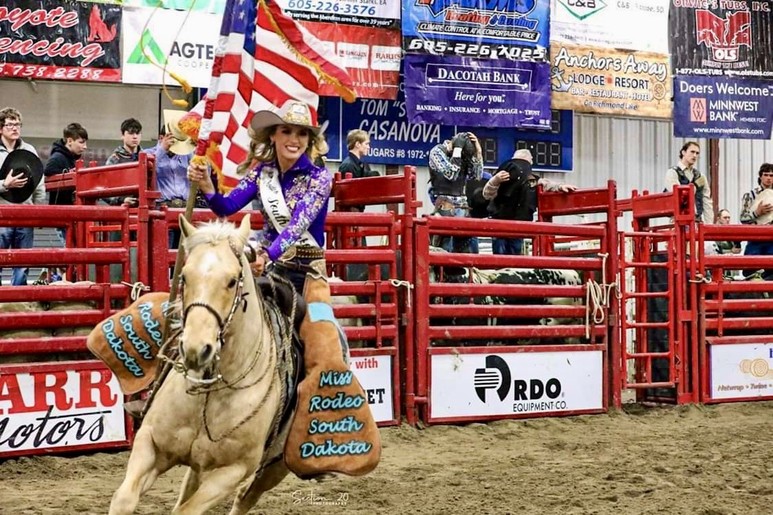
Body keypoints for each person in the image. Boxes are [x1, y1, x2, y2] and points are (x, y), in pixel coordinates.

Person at [186, 99, 331, 294]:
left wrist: (266, 256)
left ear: (309, 141)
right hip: (268, 268)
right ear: (273, 135)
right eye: (286, 131)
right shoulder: (262, 173)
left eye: (302, 133)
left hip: (307, 273)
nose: (294, 140)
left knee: (320, 315)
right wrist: (206, 184)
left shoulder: (320, 178)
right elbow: (226, 207)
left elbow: (297, 226)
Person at [482, 149, 576, 255]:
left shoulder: (531, 180)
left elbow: (487, 194)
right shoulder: (524, 179)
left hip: (510, 224)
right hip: (508, 224)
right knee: (509, 255)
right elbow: (487, 194)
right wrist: (495, 180)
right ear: (530, 162)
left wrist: (560, 186)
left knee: (505, 254)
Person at [0, 107, 46, 285]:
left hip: (25, 213)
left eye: (18, 124)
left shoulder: (29, 149)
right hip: (2, 215)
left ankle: (19, 295)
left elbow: (39, 182)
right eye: (10, 124)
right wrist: (5, 184)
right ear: (1, 128)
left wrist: (39, 212)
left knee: (23, 262)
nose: (15, 128)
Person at [428, 132, 483, 253]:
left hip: (462, 205)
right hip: (445, 204)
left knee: (468, 244)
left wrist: (478, 152)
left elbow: (477, 175)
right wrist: (458, 150)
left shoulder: (464, 156)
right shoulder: (437, 151)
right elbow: (451, 174)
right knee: (444, 244)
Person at [155, 110, 198, 249]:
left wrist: (198, 151)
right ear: (161, 138)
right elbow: (146, 171)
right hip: (162, 209)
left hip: (186, 208)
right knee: (163, 250)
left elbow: (201, 174)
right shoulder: (149, 154)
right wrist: (162, 150)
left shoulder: (187, 155)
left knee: (185, 250)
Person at [665, 141, 713, 224]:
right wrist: (694, 187)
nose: (695, 155)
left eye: (697, 153)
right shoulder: (672, 173)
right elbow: (678, 196)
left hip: (697, 221)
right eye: (692, 152)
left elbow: (707, 201)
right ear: (683, 152)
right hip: (679, 221)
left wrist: (709, 224)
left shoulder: (700, 176)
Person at [106, 117, 144, 207]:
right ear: (122, 135)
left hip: (144, 206)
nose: (135, 137)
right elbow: (104, 189)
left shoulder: (147, 157)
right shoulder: (115, 159)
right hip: (121, 209)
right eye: (131, 133)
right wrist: (121, 200)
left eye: (138, 133)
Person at [740, 163, 773, 257]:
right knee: (751, 264)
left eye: (771, 175)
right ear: (760, 176)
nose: (768, 178)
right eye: (765, 175)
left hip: (772, 237)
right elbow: (743, 218)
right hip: (756, 238)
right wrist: (757, 212)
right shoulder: (750, 195)